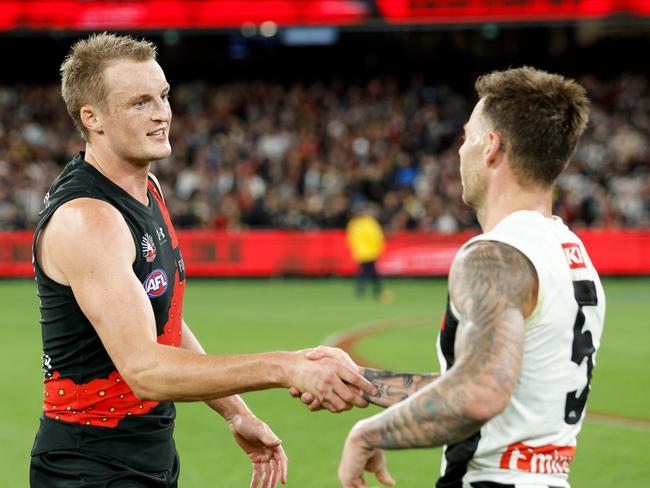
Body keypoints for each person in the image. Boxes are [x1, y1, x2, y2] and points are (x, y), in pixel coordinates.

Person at [30, 33, 375, 488]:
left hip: (145, 456)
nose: (161, 113)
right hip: (87, 467)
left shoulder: (145, 189)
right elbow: (146, 369)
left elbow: (162, 325)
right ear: (91, 118)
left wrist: (235, 412)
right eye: (139, 103)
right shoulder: (90, 219)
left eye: (163, 96)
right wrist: (287, 366)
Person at [296, 67, 606, 488]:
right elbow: (484, 377)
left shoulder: (495, 256)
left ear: (492, 147)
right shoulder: (569, 252)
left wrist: (367, 433)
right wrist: (363, 383)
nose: (461, 152)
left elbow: (479, 394)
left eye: (467, 137)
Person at [346, 203, 389, 301]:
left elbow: (350, 238)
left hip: (360, 252)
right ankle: (377, 291)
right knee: (370, 272)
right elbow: (376, 236)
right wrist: (379, 247)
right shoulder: (369, 222)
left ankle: (363, 291)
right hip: (370, 251)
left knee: (364, 271)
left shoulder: (353, 224)